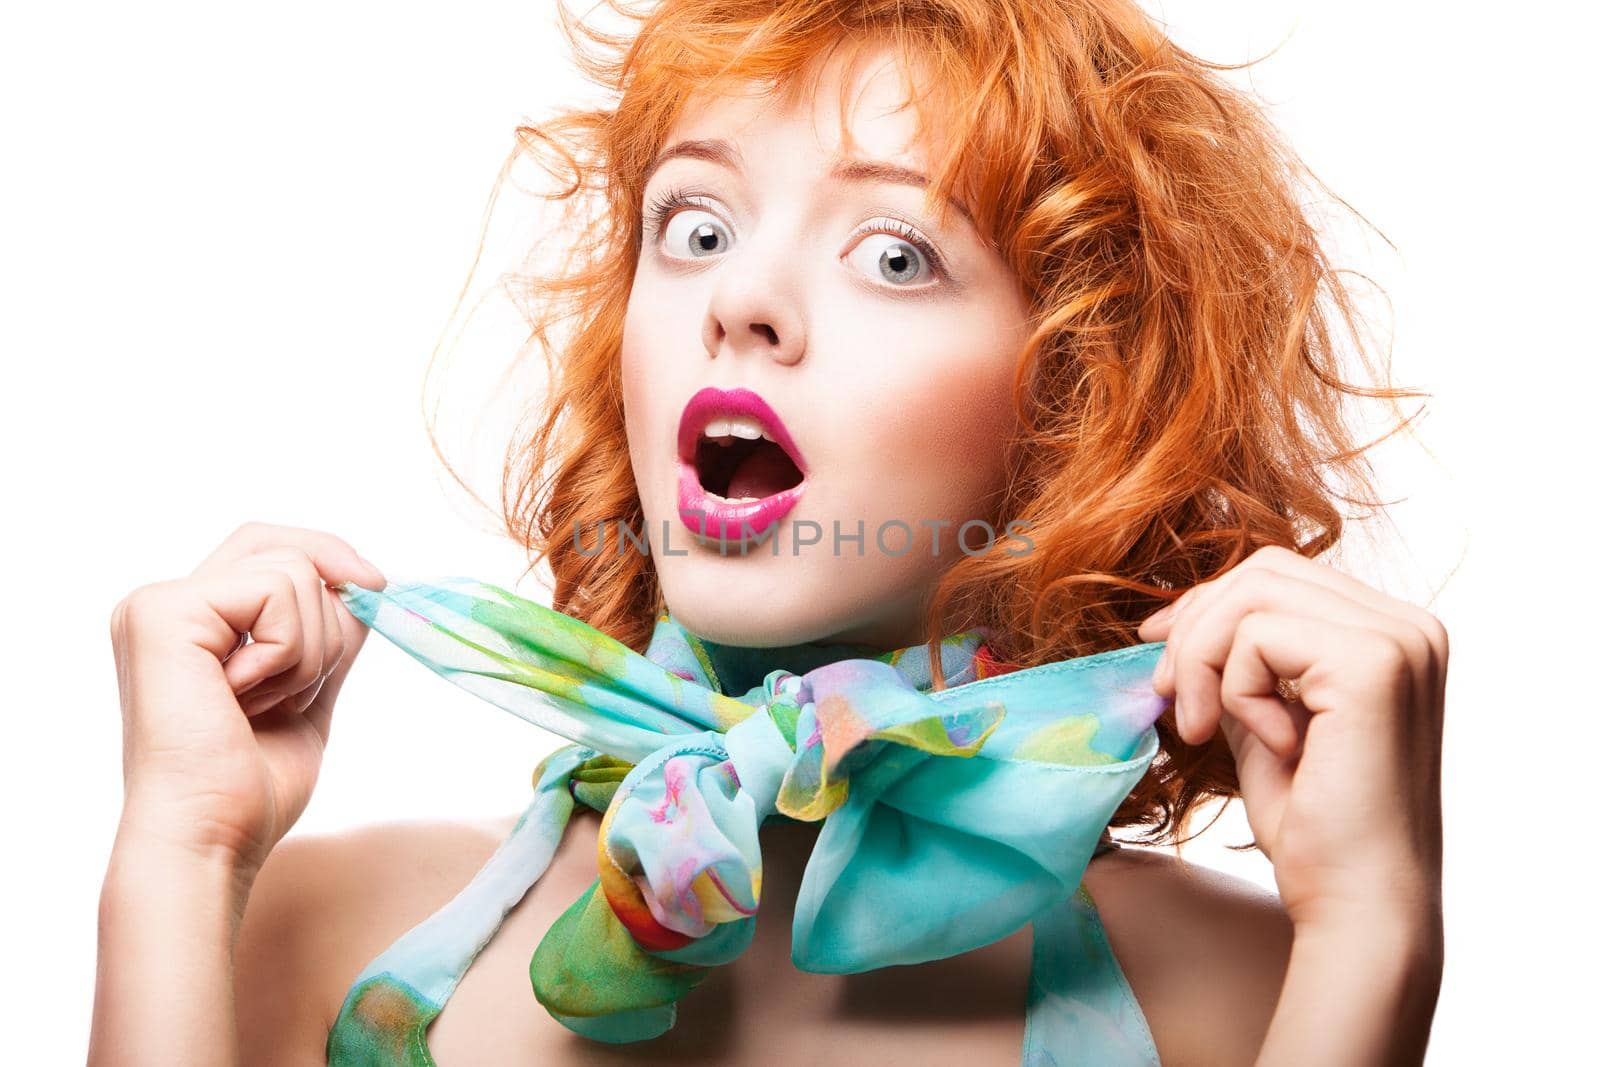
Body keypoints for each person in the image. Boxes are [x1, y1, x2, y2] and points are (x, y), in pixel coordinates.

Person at [90, 1, 1448, 1064]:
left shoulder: (1249, 992)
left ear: (1076, 402)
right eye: (693, 226)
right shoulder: (313, 930)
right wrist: (180, 853)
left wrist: (1375, 932)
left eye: (897, 254)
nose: (740, 294)